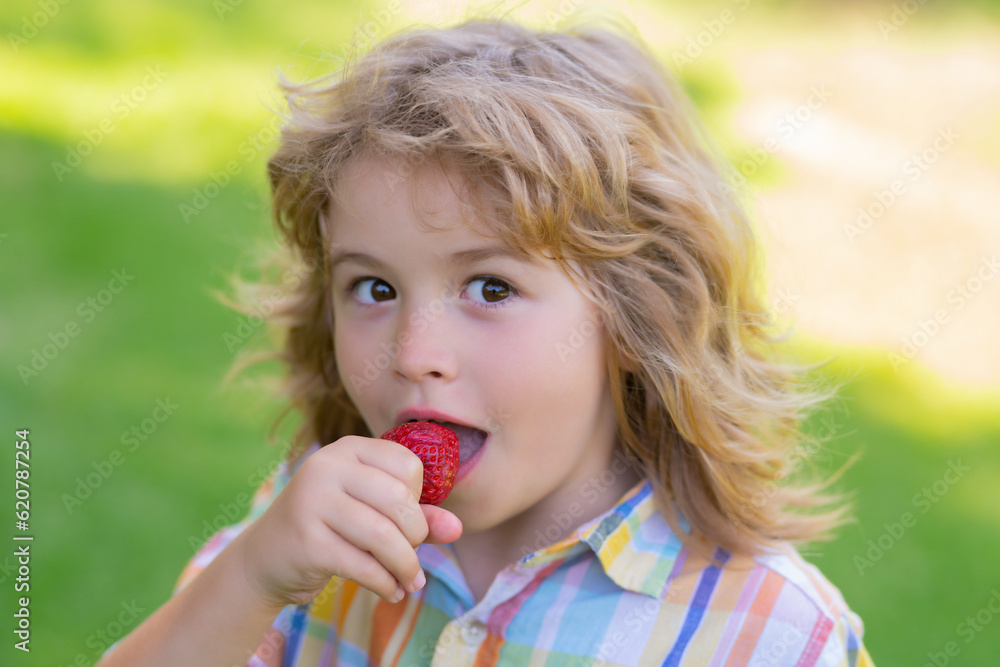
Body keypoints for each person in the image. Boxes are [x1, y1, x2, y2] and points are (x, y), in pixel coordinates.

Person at [99, 14, 874, 667]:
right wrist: (250, 575)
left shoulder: (769, 633)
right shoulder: (312, 537)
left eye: (491, 289)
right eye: (374, 288)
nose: (413, 353)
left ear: (638, 314)